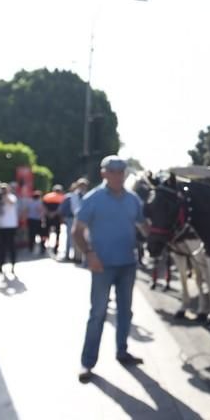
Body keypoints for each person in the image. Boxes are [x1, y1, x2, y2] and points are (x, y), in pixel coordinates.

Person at [73, 156, 147, 383]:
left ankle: (122, 351)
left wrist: (155, 230)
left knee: (126, 311)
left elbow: (143, 227)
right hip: (102, 265)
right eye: (113, 171)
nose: (117, 175)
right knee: (97, 314)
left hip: (127, 264)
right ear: (104, 173)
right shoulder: (93, 199)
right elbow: (77, 231)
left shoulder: (133, 200)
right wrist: (90, 254)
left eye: (121, 171)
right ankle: (88, 363)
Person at [0, 183, 19, 273]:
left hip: (11, 226)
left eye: (5, 189)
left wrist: (6, 194)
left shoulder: (11, 196)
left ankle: (13, 265)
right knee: (1, 247)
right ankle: (0, 266)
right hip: (1, 226)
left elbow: (11, 202)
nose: (3, 190)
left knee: (12, 247)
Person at [42, 185, 65, 255]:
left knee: (46, 232)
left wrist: (48, 213)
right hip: (57, 217)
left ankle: (43, 246)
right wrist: (54, 213)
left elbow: (43, 206)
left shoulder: (47, 196)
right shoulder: (62, 197)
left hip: (48, 216)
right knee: (57, 233)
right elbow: (61, 208)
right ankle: (56, 247)